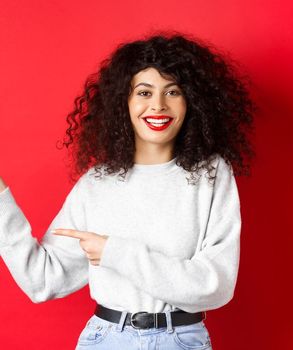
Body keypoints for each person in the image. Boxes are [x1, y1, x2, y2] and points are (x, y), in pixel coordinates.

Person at [0, 32, 255, 349]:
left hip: (181, 339)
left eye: (172, 92)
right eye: (144, 92)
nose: (158, 105)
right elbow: (42, 281)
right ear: (124, 102)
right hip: (106, 339)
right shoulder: (97, 183)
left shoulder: (210, 174)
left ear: (191, 101)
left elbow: (215, 286)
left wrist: (114, 253)